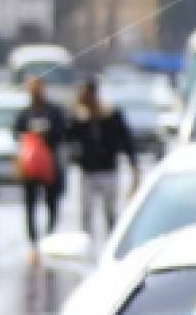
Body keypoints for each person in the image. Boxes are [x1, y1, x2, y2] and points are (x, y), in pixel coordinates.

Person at [71, 78, 139, 239]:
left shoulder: (111, 114)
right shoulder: (80, 118)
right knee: (86, 214)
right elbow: (69, 140)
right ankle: (86, 243)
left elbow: (125, 139)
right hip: (88, 171)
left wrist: (133, 164)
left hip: (108, 170)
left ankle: (112, 241)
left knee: (110, 212)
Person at [13, 76, 68, 244]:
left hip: (49, 162)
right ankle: (33, 240)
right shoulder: (25, 113)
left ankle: (50, 235)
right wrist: (31, 137)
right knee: (30, 202)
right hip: (31, 164)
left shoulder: (53, 111)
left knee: (51, 201)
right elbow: (16, 133)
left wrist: (47, 135)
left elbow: (62, 131)